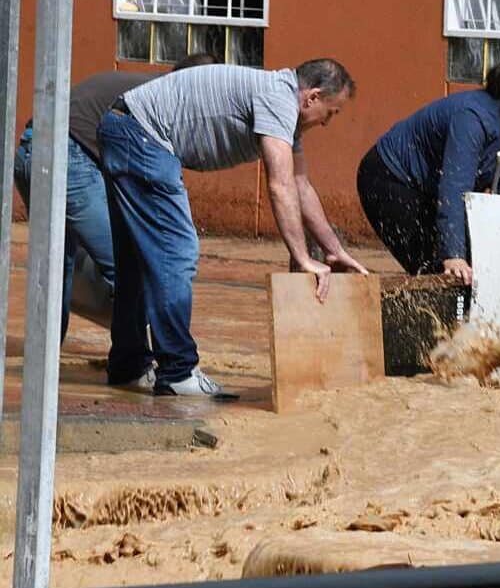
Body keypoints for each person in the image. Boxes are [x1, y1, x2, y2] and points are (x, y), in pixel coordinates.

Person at [98, 59, 366, 398]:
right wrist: (301, 256)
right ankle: (177, 372)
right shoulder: (278, 98)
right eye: (332, 112)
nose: (327, 123)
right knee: (176, 253)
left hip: (126, 130)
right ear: (312, 97)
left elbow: (300, 185)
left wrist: (333, 250)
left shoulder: (281, 107)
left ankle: (128, 366)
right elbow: (279, 186)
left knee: (138, 261)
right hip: (142, 138)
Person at [12, 53, 219, 342]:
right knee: (134, 265)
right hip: (67, 157)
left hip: (30, 154)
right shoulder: (163, 101)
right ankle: (136, 360)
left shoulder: (145, 88)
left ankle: (44, 359)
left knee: (57, 261)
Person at [357, 61, 500, 287]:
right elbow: (454, 187)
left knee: (476, 265)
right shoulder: (473, 118)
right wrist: (453, 254)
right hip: (390, 178)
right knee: (438, 271)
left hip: (432, 188)